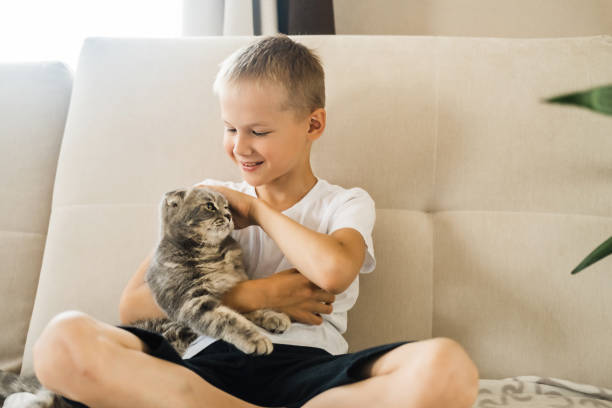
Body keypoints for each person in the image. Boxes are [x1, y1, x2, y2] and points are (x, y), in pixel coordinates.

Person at [32, 34, 479, 408]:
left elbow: (334, 271)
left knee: (448, 367)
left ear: (313, 124)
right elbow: (134, 304)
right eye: (230, 128)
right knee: (61, 340)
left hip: (310, 373)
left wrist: (259, 212)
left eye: (258, 132)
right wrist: (255, 294)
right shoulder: (209, 197)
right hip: (204, 370)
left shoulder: (345, 203)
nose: (240, 147)